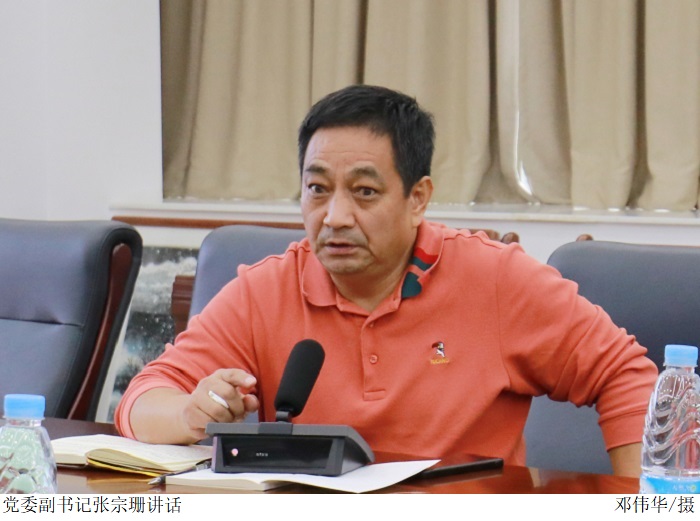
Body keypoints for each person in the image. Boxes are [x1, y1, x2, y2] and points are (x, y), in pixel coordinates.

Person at [116, 85, 657, 476]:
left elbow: (625, 375)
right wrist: (189, 412)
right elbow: (140, 400)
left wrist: (642, 502)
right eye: (317, 189)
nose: (335, 217)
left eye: (365, 192)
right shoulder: (266, 290)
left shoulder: (495, 279)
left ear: (417, 198)